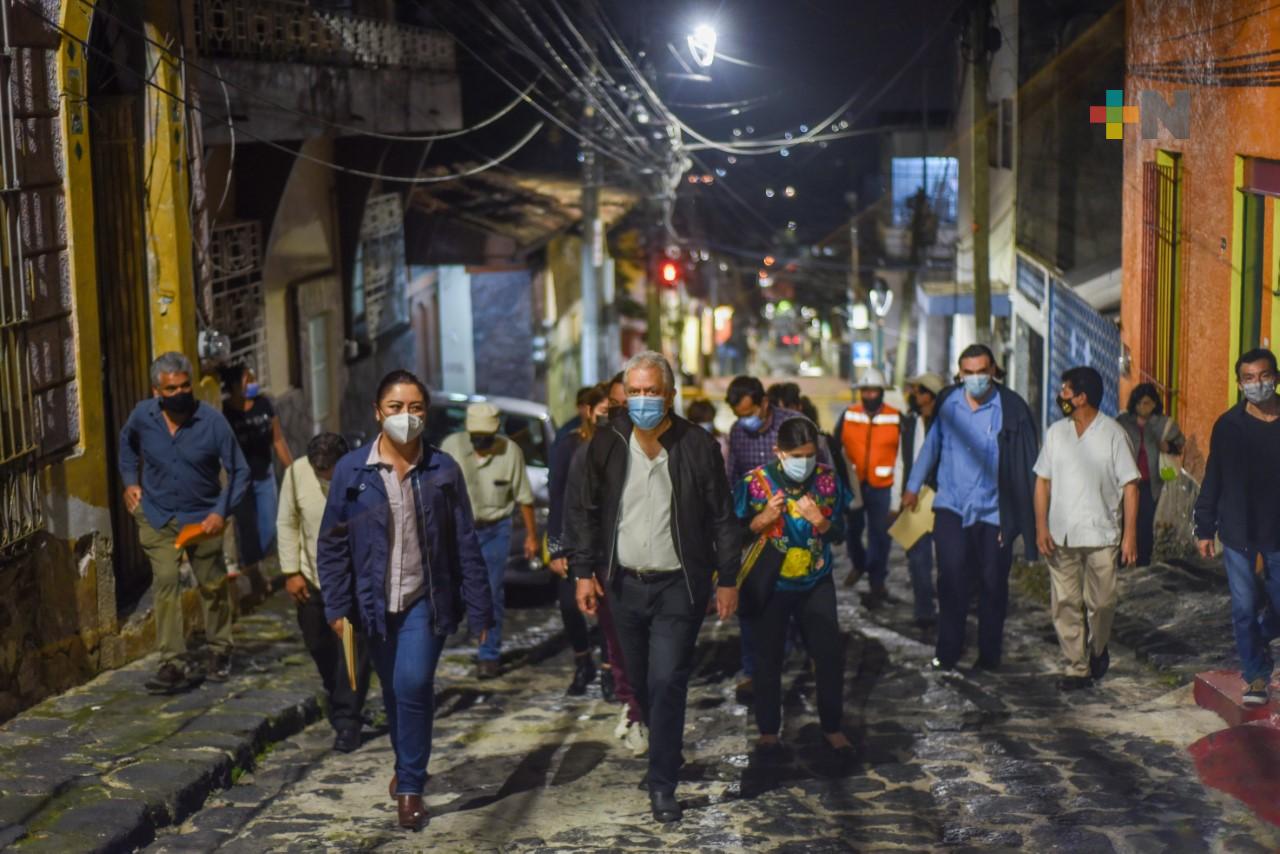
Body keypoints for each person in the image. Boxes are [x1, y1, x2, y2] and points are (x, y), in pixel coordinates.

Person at [317, 370, 493, 831]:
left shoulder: (442, 470)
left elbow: (465, 540)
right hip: (372, 605)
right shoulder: (352, 471)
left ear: (425, 414)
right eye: (395, 407)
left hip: (423, 600)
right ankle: (406, 762)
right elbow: (332, 543)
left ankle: (411, 786)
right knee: (395, 691)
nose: (405, 416)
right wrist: (336, 605)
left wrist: (480, 606)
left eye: (415, 407)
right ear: (378, 413)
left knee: (413, 683)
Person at [568, 351, 739, 824]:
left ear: (670, 395)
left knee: (668, 679)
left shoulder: (697, 445)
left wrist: (728, 578)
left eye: (652, 391)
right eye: (636, 392)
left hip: (678, 586)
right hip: (623, 584)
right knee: (640, 683)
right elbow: (583, 510)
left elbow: (723, 517)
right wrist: (583, 571)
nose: (643, 400)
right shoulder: (606, 444)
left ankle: (663, 782)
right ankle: (664, 744)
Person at [902, 344, 1039, 672]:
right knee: (950, 580)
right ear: (960, 373)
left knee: (993, 584)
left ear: (992, 371)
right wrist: (912, 486)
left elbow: (1024, 465)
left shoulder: (1009, 409)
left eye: (981, 372)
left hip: (994, 513)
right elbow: (932, 446)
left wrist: (1021, 517)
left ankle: (989, 655)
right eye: (969, 372)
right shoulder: (948, 403)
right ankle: (947, 651)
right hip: (951, 507)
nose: (976, 378)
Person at [118, 352, 249, 693]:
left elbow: (240, 471)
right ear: (156, 391)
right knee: (165, 580)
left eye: (184, 386)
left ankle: (220, 650)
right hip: (158, 515)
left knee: (212, 585)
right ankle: (172, 662)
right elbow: (126, 445)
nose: (179, 393)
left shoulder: (212, 422)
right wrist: (130, 482)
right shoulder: (142, 416)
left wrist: (220, 512)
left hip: (203, 518)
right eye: (171, 388)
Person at [734, 416, 853, 754]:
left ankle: (832, 727)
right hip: (771, 585)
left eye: (810, 455)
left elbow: (840, 533)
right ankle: (768, 731)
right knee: (768, 658)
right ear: (779, 452)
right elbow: (732, 534)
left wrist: (821, 522)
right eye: (797, 456)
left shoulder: (828, 481)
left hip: (816, 582)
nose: (805, 462)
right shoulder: (755, 484)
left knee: (828, 656)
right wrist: (761, 520)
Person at [1033, 367, 1140, 691]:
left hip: (1102, 533)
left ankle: (1097, 648)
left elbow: (1131, 486)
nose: (1061, 396)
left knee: (1102, 603)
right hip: (1061, 533)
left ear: (1081, 397)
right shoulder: (1057, 433)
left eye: (1066, 390)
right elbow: (1042, 482)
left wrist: (1130, 535)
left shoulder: (1113, 434)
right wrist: (1040, 526)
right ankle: (1076, 667)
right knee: (1065, 602)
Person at [1194, 348, 1280, 706]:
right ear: (1239, 384)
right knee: (1243, 608)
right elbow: (1213, 477)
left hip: (1278, 531)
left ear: (1276, 377)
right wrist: (1204, 526)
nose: (1257, 384)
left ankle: (1262, 633)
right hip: (1238, 531)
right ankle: (1256, 675)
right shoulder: (1228, 427)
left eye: (1263, 376)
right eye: (1249, 378)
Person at [278, 432, 372, 751]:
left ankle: (348, 720)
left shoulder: (363, 474)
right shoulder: (295, 475)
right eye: (318, 471)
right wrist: (291, 572)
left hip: (353, 580)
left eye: (328, 472)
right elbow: (287, 522)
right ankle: (339, 695)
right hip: (313, 576)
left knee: (352, 648)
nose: (324, 478)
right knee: (317, 642)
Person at [441, 403, 538, 679]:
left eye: (486, 437)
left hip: (495, 529)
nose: (480, 443)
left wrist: (532, 536)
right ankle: (455, 633)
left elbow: (524, 497)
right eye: (476, 437)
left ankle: (489, 654)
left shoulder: (511, 452)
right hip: (458, 529)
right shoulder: (451, 447)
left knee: (491, 591)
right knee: (455, 588)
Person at [725, 375, 804, 701]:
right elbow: (732, 477)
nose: (746, 421)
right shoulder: (737, 433)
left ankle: (784, 656)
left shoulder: (793, 425)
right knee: (750, 600)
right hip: (755, 529)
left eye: (749, 413)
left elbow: (821, 471)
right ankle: (753, 669)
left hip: (793, 527)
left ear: (764, 403)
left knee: (787, 597)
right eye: (739, 415)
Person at [548, 386, 608, 696]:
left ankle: (610, 668)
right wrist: (556, 547)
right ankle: (583, 660)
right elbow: (557, 496)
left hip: (606, 542)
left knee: (609, 605)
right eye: (604, 411)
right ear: (588, 411)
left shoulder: (618, 447)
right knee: (570, 604)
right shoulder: (570, 445)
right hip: (572, 538)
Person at [221, 364, 293, 587]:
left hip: (264, 476)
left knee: (269, 528)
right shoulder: (225, 413)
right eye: (247, 380)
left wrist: (293, 469)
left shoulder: (264, 404)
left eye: (252, 378)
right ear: (234, 386)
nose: (253, 383)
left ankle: (255, 568)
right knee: (247, 531)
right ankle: (256, 580)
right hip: (240, 482)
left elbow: (278, 439)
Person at [836, 367, 901, 607]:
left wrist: (900, 493)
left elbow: (903, 456)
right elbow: (835, 448)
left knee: (880, 536)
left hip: (883, 485)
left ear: (882, 393)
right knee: (852, 530)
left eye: (874, 391)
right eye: (865, 391)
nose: (869, 395)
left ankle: (877, 581)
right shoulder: (848, 415)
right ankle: (859, 563)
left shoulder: (896, 418)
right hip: (854, 484)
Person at [894, 373, 943, 628]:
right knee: (917, 559)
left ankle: (949, 607)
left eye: (920, 392)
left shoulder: (947, 424)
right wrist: (898, 498)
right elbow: (901, 461)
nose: (915, 396)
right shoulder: (909, 423)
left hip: (943, 498)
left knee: (948, 560)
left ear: (931, 396)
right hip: (916, 498)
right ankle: (924, 609)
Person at [1116, 383, 1184, 567]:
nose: (1143, 407)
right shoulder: (1123, 422)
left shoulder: (1164, 424)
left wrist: (1168, 446)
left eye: (1147, 403)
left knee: (1145, 527)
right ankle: (1121, 561)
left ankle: (1142, 562)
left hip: (1150, 485)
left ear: (1155, 404)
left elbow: (1179, 445)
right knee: (1123, 523)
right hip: (1125, 483)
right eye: (1139, 403)